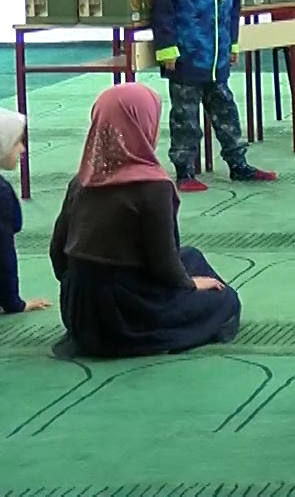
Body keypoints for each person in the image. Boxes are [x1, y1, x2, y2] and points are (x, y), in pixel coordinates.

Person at [48, 84, 241, 359]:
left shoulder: (82, 181)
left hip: (80, 315)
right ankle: (162, 328)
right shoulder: (152, 187)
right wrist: (190, 285)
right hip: (127, 316)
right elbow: (163, 264)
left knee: (192, 256)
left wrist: (81, 293)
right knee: (224, 299)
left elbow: (57, 254)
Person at [152, 0, 275, 192]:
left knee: (227, 113)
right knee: (185, 118)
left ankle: (238, 165)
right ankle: (185, 172)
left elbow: (233, 8)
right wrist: (167, 48)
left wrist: (232, 44)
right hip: (185, 59)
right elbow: (163, 7)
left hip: (217, 59)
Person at [1, 110, 49, 316]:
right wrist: (14, 303)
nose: (22, 148)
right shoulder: (1, 193)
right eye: (16, 142)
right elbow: (4, 254)